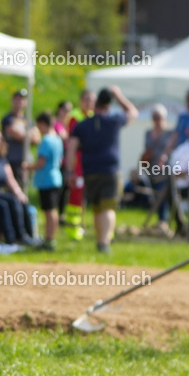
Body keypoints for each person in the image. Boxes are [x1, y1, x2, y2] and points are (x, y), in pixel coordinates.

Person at [66, 87, 138, 253]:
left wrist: (70, 172)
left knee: (97, 207)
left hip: (90, 170)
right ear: (108, 105)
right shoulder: (113, 120)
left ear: (96, 103)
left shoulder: (82, 125)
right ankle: (104, 242)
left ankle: (101, 241)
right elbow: (133, 112)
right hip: (110, 170)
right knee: (108, 207)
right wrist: (119, 95)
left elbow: (71, 148)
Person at [28, 112, 63, 251]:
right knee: (52, 210)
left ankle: (49, 238)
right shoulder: (57, 139)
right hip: (56, 177)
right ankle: (50, 238)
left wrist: (27, 166)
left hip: (47, 179)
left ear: (43, 124)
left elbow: (41, 162)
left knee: (49, 211)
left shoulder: (46, 140)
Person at [140, 104, 175, 231]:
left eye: (159, 117)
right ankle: (161, 221)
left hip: (164, 170)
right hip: (151, 169)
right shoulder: (148, 133)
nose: (156, 120)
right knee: (156, 194)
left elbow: (171, 149)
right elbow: (147, 150)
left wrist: (164, 157)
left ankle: (163, 220)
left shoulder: (170, 133)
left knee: (162, 192)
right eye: (154, 117)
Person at [3, 89, 37, 189]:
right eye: (17, 99)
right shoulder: (8, 119)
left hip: (25, 159)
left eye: (22, 99)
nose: (20, 102)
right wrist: (29, 135)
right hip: (12, 158)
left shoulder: (28, 119)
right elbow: (15, 134)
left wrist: (23, 135)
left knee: (24, 186)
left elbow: (37, 138)